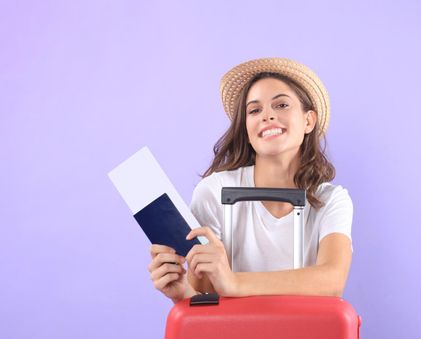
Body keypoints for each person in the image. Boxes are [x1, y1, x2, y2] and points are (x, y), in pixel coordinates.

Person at [147, 57, 353, 303]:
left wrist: (234, 282)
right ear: (246, 127)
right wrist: (181, 293)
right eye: (254, 110)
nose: (267, 116)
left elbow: (332, 280)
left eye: (281, 105)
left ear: (308, 120)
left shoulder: (331, 200)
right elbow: (202, 300)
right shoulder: (214, 192)